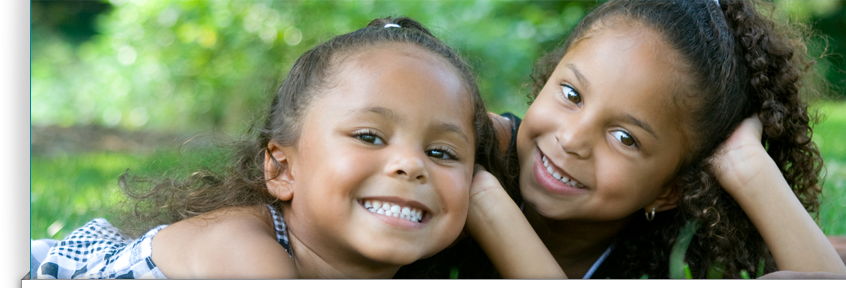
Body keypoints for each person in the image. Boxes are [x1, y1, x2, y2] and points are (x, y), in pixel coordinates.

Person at [28, 17, 555, 279]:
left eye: (442, 153)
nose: (410, 164)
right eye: (369, 136)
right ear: (282, 167)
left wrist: (484, 195)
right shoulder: (240, 249)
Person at [398, 0, 846, 279]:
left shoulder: (667, 262)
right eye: (571, 94)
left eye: (624, 137)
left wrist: (746, 167)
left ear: (670, 190)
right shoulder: (468, 149)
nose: (571, 139)